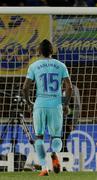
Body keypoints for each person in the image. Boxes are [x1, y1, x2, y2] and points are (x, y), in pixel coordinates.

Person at [22, 39, 73, 176]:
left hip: (40, 104)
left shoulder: (34, 66)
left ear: (39, 52)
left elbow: (25, 87)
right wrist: (66, 104)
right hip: (56, 105)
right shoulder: (61, 65)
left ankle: (44, 168)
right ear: (52, 51)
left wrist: (29, 103)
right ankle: (55, 154)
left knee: (39, 136)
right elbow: (69, 87)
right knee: (56, 137)